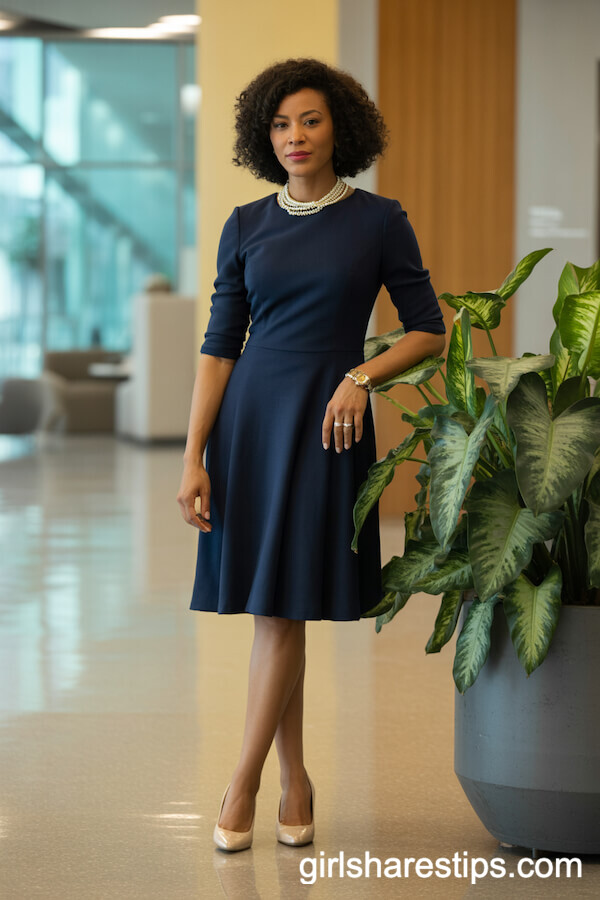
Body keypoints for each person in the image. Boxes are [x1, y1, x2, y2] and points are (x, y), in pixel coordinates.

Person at [176, 58, 446, 852]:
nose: (295, 137)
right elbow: (220, 347)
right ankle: (295, 779)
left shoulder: (378, 220)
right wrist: (193, 454)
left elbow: (430, 326)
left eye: (311, 121)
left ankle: (244, 782)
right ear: (267, 138)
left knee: (280, 610)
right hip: (251, 425)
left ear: (342, 129)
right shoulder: (245, 224)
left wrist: (361, 375)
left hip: (328, 426)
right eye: (280, 125)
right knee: (275, 607)